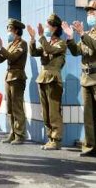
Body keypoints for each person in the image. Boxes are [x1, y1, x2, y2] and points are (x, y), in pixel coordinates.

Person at [63, 0, 96, 160]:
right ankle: (91, 147)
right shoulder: (89, 34)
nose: (89, 16)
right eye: (88, 13)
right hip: (86, 78)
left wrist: (82, 34)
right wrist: (71, 38)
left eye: (92, 13)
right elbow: (76, 51)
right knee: (88, 115)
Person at [27, 14, 66, 150]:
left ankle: (56, 139)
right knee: (45, 111)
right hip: (43, 79)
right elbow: (34, 53)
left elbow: (49, 50)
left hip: (53, 79)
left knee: (54, 111)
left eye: (48, 25)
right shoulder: (47, 43)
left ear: (55, 27)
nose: (46, 28)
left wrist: (41, 36)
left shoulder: (61, 43)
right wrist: (32, 39)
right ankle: (50, 138)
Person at [0, 19, 28, 145]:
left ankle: (20, 134)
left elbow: (13, 57)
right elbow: (0, 59)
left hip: (17, 77)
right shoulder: (11, 44)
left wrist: (1, 47)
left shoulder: (22, 44)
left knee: (17, 107)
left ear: (16, 30)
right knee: (9, 107)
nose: (8, 32)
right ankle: (13, 133)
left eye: (10, 29)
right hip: (9, 77)